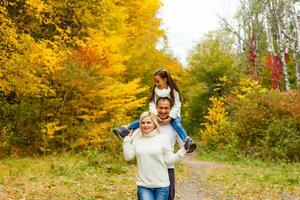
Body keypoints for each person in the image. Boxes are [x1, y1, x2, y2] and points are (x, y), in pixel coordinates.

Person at [113, 69, 197, 153]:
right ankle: (127, 129)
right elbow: (152, 104)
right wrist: (155, 115)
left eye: (158, 81)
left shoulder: (174, 92)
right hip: (157, 113)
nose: (156, 84)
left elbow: (176, 106)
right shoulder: (156, 91)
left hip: (172, 115)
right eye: (155, 82)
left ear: (165, 80)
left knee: (177, 125)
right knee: (145, 119)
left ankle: (186, 141)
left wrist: (170, 118)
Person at [123, 111, 187, 200]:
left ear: (154, 124)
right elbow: (128, 156)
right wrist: (126, 140)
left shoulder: (162, 138)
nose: (145, 125)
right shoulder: (137, 139)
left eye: (148, 122)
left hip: (162, 186)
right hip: (144, 186)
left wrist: (183, 151)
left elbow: (169, 160)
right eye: (143, 123)